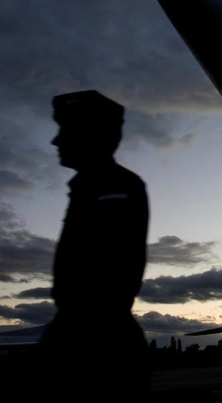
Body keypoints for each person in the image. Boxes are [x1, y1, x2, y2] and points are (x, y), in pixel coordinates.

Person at [41, 90, 151, 400]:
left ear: (91, 135)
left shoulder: (114, 187)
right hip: (86, 338)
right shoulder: (91, 187)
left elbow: (109, 272)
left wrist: (71, 334)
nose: (56, 141)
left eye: (66, 130)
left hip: (97, 345)